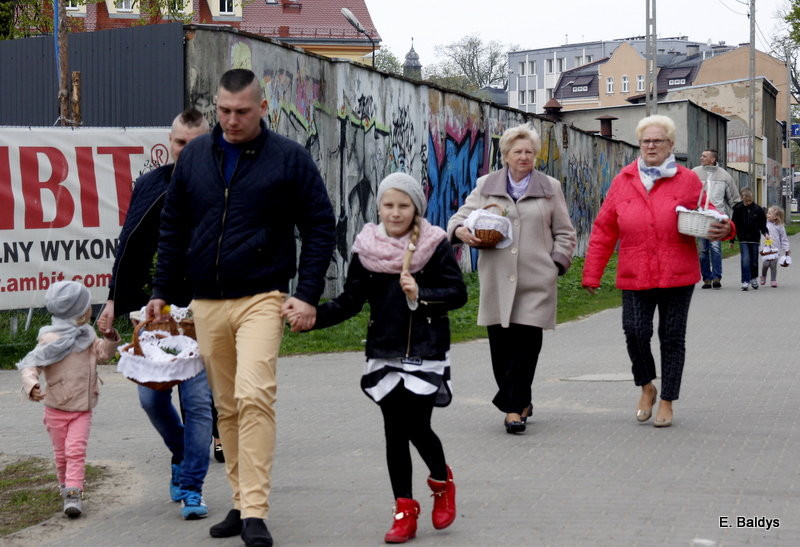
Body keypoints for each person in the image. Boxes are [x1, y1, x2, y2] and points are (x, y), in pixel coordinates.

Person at [146, 68, 336, 547]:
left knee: (255, 396)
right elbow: (173, 229)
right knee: (226, 407)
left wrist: (307, 293)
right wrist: (159, 292)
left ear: (263, 109)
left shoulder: (288, 159)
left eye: (242, 112)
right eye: (224, 112)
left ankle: (254, 510)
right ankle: (238, 500)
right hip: (206, 301)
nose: (231, 121)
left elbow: (319, 226)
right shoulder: (195, 161)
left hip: (261, 296)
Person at [299, 173, 466, 544]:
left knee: (417, 428)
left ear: (415, 209)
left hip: (426, 350)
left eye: (403, 205)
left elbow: (457, 293)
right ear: (379, 208)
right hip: (384, 351)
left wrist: (421, 292)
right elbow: (351, 301)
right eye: (388, 205)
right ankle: (404, 509)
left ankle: (441, 482)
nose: (395, 212)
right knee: (394, 431)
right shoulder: (366, 248)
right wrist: (312, 317)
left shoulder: (434, 245)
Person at [97, 108, 215, 520]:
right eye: (180, 143)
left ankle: (191, 486)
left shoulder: (225, 187)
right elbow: (128, 247)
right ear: (170, 143)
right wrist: (113, 300)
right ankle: (182, 452)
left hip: (206, 311)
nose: (187, 151)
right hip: (156, 313)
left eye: (196, 143)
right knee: (151, 398)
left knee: (199, 403)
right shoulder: (151, 184)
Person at [581, 115, 734, 428]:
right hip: (635, 272)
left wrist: (726, 228)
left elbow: (712, 213)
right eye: (645, 141)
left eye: (657, 141)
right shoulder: (623, 180)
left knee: (672, 338)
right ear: (639, 145)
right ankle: (647, 386)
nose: (651, 146)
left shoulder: (687, 180)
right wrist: (591, 274)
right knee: (635, 332)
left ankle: (667, 400)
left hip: (677, 272)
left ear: (671, 145)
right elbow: (604, 229)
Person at [447, 123, 577, 434]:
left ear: (536, 156)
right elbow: (457, 219)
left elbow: (565, 233)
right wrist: (461, 232)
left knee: (527, 347)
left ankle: (513, 409)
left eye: (529, 152)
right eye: (517, 151)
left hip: (536, 280)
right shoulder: (486, 185)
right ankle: (522, 400)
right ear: (505, 155)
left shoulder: (550, 187)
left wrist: (555, 265)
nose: (524, 157)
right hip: (496, 280)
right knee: (502, 348)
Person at [17, 281, 120, 518]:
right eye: (87, 306)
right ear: (78, 312)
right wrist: (32, 385)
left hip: (82, 408)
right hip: (55, 408)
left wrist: (110, 337)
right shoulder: (50, 339)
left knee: (75, 450)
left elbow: (103, 354)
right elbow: (32, 364)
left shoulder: (87, 336)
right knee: (61, 453)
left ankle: (74, 492)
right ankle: (65, 486)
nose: (91, 310)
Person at [692, 149, 740, 289]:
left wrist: (736, 219)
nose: (701, 158)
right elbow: (687, 193)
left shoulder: (724, 176)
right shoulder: (694, 173)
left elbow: (734, 200)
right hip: (700, 217)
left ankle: (717, 277)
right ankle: (706, 278)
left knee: (715, 248)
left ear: (713, 159)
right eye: (701, 155)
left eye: (704, 156)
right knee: (702, 251)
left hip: (717, 218)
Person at [731, 187, 767, 291]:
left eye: (750, 201)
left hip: (755, 238)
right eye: (746, 201)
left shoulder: (758, 209)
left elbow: (762, 224)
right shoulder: (737, 209)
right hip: (743, 238)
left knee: (754, 260)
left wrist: (766, 233)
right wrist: (732, 240)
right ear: (742, 198)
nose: (748, 203)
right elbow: (734, 225)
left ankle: (753, 278)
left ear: (752, 198)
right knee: (745, 259)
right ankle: (745, 281)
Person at [759, 205, 790, 287]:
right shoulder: (764, 223)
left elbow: (784, 239)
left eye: (769, 213)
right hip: (765, 248)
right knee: (766, 264)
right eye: (767, 213)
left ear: (776, 217)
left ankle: (773, 280)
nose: (767, 215)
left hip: (775, 249)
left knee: (773, 265)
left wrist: (786, 249)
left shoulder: (780, 226)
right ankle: (763, 276)